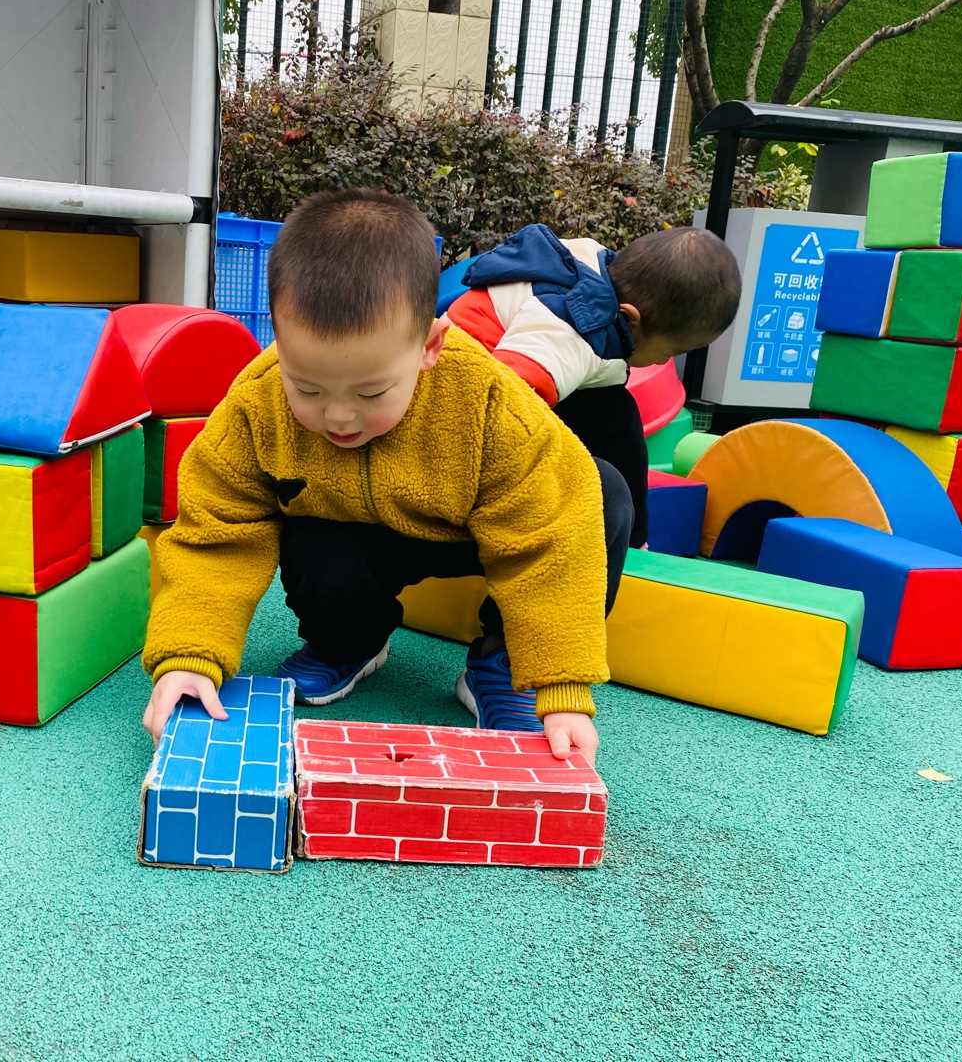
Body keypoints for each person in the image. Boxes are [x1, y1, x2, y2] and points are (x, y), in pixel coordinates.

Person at [140, 188, 632, 763]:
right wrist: (190, 656)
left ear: (429, 346)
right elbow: (217, 535)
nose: (338, 416)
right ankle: (347, 643)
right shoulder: (255, 407)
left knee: (601, 493)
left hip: (473, 533)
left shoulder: (491, 406)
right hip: (358, 535)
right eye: (308, 388)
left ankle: (503, 665)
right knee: (314, 544)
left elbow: (552, 541)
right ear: (278, 337)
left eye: (371, 392)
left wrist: (559, 686)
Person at [445, 223, 741, 548]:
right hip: (459, 404)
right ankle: (624, 542)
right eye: (666, 353)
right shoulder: (568, 329)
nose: (661, 363)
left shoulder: (604, 278)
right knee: (613, 421)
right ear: (631, 318)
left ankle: (633, 541)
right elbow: (504, 408)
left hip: (495, 384)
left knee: (617, 412)